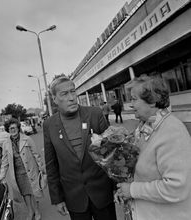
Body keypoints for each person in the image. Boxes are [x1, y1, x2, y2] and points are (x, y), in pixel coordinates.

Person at [114, 75, 191, 220]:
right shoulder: (144, 127)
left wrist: (132, 190)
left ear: (152, 101)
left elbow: (176, 188)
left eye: (134, 99)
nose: (131, 104)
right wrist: (125, 189)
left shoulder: (172, 131)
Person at [43, 76, 117, 220]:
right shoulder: (49, 125)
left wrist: (116, 186)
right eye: (64, 94)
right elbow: (51, 165)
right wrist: (57, 199)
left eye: (73, 92)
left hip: (102, 192)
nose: (71, 98)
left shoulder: (94, 114)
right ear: (54, 99)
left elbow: (112, 152)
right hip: (74, 198)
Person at [0, 118, 45, 220]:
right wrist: (1, 176)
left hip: (30, 170)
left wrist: (42, 168)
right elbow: (4, 162)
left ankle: (36, 211)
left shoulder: (27, 139)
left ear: (18, 128)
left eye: (14, 128)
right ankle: (30, 211)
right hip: (17, 173)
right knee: (24, 193)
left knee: (33, 191)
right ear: (7, 130)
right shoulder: (5, 144)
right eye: (10, 128)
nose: (12, 130)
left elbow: (36, 155)